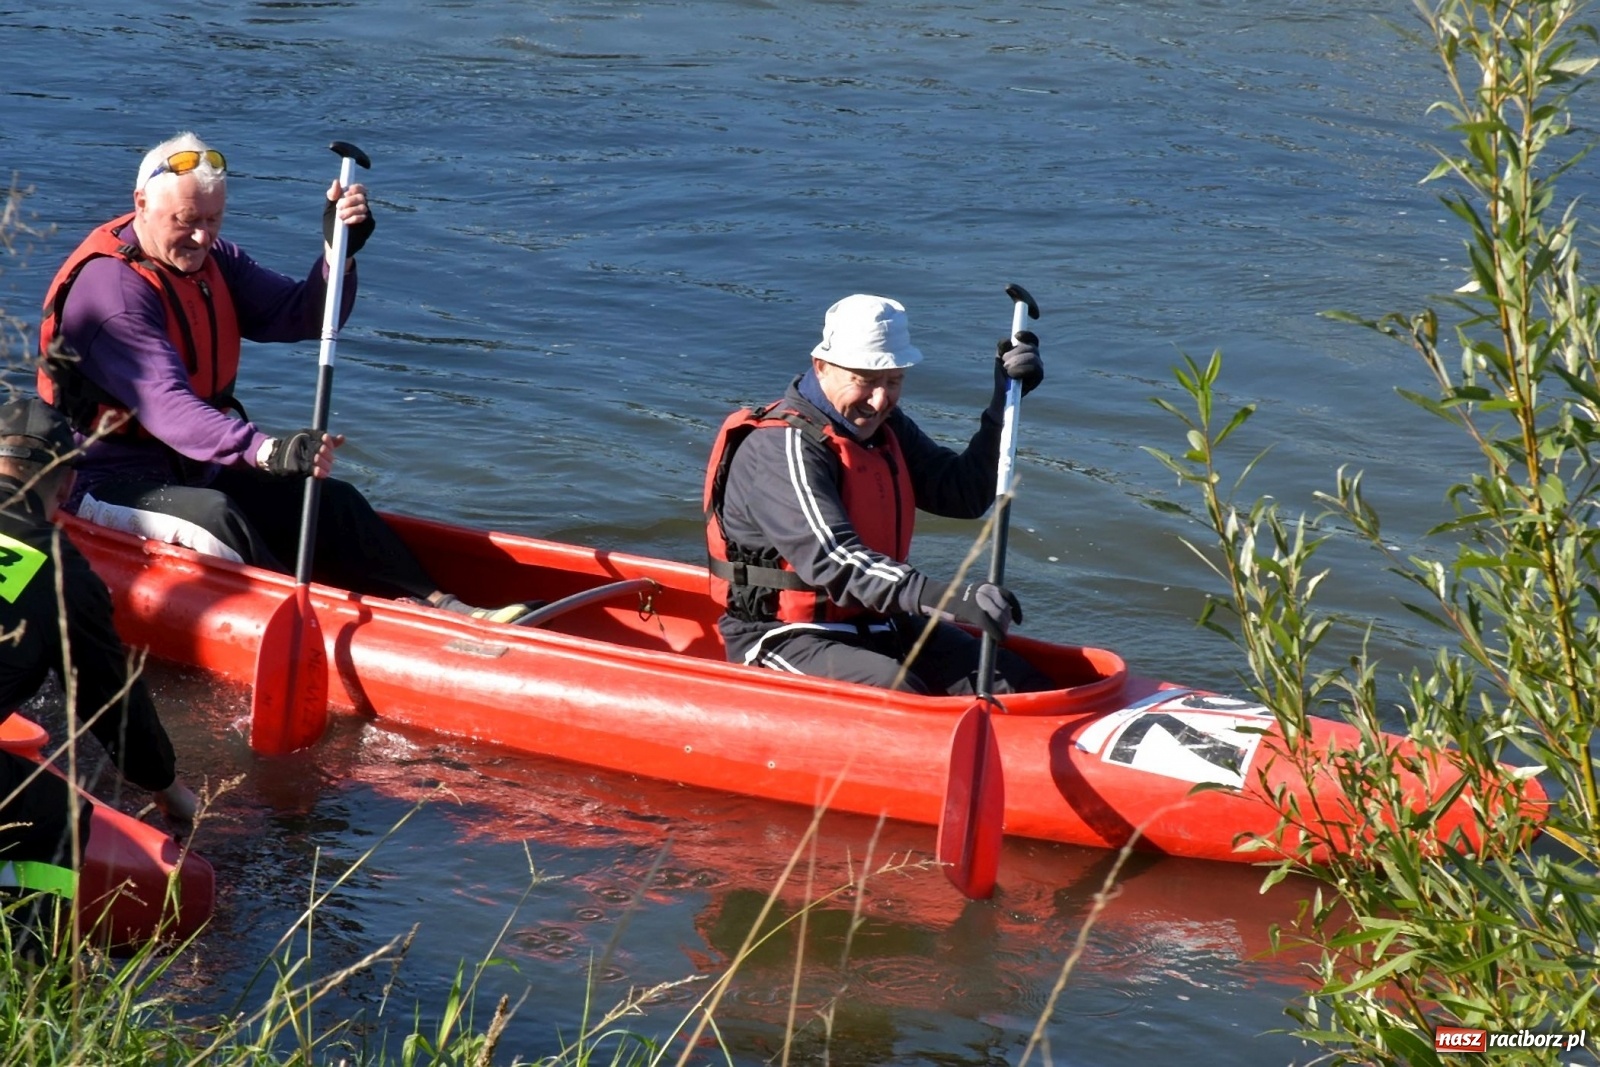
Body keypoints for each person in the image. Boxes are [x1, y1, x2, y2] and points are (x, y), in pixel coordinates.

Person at [35, 132, 528, 622]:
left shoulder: (213, 259)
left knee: (332, 500)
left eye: (214, 220)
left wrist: (339, 253)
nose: (204, 237)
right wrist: (268, 451)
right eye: (187, 221)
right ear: (141, 203)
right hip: (102, 485)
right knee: (216, 518)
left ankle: (439, 608)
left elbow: (301, 314)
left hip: (195, 469)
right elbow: (170, 410)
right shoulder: (112, 295)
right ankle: (314, 625)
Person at [704, 293, 1056, 695]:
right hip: (785, 634)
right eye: (865, 380)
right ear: (822, 367)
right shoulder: (780, 447)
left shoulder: (886, 429)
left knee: (1019, 683)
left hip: (882, 621)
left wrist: (1004, 406)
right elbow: (833, 558)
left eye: (894, 381)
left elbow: (962, 494)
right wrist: (948, 597)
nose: (879, 400)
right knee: (898, 692)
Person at [0, 397, 197, 886]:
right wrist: (166, 785)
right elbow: (110, 699)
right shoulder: (60, 574)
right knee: (58, 819)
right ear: (67, 485)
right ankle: (29, 955)